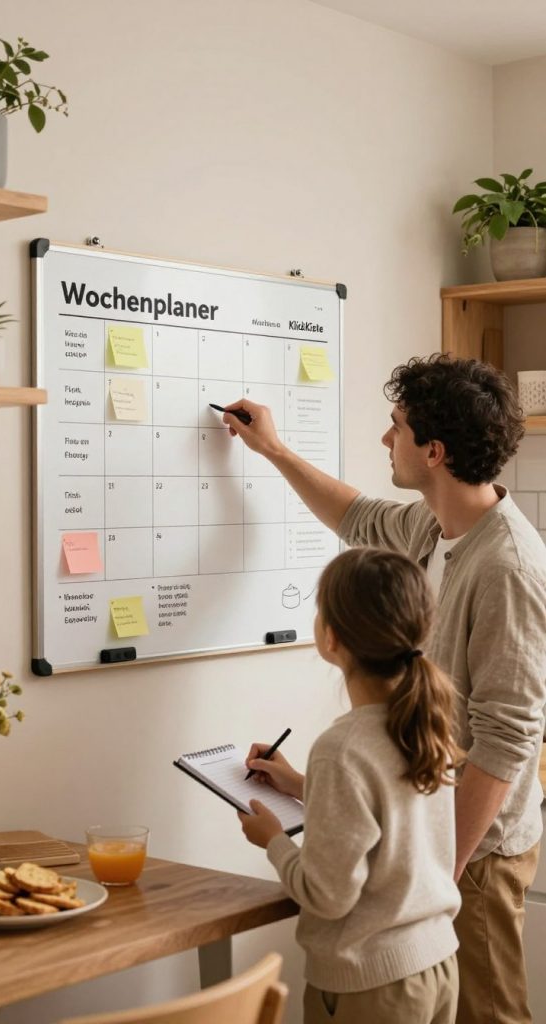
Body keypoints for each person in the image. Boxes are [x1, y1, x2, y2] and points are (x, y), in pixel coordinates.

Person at [225, 354, 546, 1024]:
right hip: (430, 845)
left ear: (431, 451)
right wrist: (273, 449)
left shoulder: (507, 565)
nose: (383, 439)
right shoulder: (432, 527)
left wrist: (438, 871)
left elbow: (507, 736)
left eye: (393, 427)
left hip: (474, 850)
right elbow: (355, 516)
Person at [239, 546, 462, 1024]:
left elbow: (327, 894)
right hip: (436, 965)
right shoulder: (426, 723)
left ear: (331, 637)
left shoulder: (341, 749)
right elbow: (390, 814)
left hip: (372, 987)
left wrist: (272, 841)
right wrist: (300, 783)